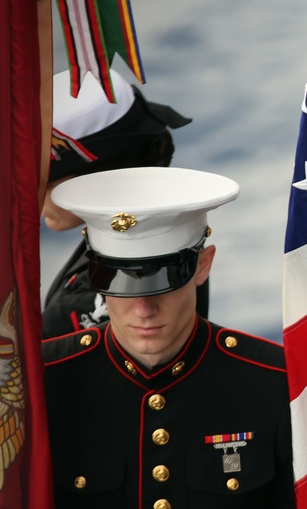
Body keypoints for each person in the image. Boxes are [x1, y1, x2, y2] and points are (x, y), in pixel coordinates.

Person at [41, 167, 307, 509]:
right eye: (120, 282)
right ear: (94, 276)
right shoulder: (48, 380)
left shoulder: (273, 384)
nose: (144, 309)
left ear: (203, 264)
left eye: (163, 280)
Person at [42, 68, 208, 339]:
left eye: (44, 182)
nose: (29, 196)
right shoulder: (179, 238)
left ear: (91, 182)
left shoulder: (94, 296)